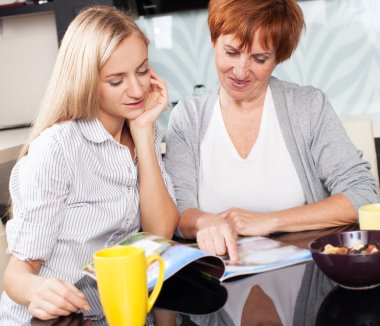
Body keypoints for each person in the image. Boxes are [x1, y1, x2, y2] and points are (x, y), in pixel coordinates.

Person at [164, 0, 379, 324]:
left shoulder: (308, 106)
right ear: (213, 41)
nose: (240, 70)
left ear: (279, 57)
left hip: (306, 281)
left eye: (260, 58)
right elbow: (181, 213)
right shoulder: (188, 117)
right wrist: (205, 222)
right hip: (215, 290)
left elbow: (362, 195)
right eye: (231, 52)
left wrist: (267, 221)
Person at [0, 6, 179, 325]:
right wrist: (38, 290)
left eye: (142, 71)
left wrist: (142, 132)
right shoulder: (57, 149)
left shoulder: (141, 128)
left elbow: (159, 232)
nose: (137, 90)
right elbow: (17, 275)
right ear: (87, 81)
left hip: (109, 315)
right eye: (116, 80)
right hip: (51, 320)